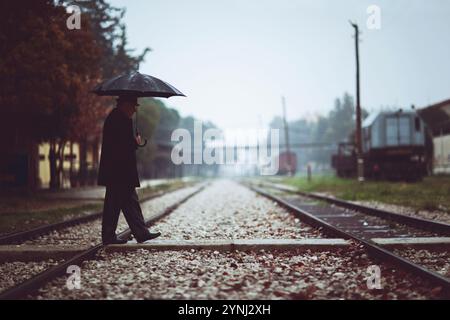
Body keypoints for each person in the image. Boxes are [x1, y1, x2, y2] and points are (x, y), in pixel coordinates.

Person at [98, 95, 161, 245]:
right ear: (125, 104)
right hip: (118, 171)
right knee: (113, 204)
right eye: (133, 105)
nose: (134, 109)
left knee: (130, 203)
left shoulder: (117, 118)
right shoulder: (118, 119)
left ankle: (141, 233)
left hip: (121, 171)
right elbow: (121, 146)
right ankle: (108, 236)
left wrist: (133, 142)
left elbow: (121, 145)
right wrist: (135, 142)